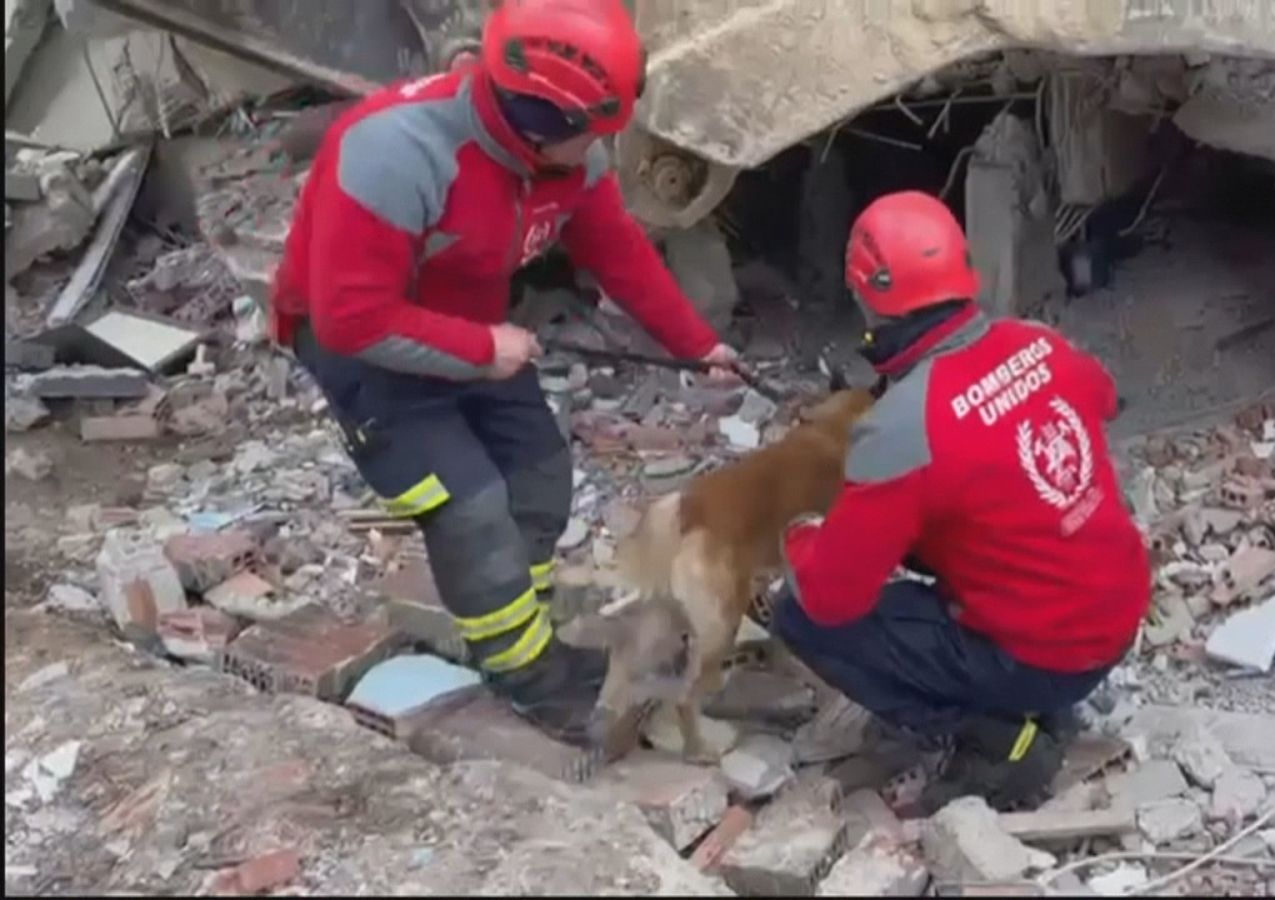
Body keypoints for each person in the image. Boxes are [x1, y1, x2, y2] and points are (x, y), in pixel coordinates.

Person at [270, 0, 737, 744]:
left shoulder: (563, 157)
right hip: (362, 346)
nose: (602, 149)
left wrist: (695, 345)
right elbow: (351, 317)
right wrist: (486, 349)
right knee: (469, 503)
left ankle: (520, 628)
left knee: (540, 472)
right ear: (539, 118)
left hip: (469, 327)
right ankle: (527, 680)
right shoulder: (394, 154)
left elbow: (617, 248)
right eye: (595, 131)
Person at [775, 190, 1150, 814]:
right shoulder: (1038, 341)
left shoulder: (901, 427)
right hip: (1115, 615)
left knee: (801, 616)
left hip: (1046, 652)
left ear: (866, 295)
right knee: (953, 525)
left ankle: (1003, 741)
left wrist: (801, 535)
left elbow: (832, 596)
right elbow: (1103, 398)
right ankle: (1038, 694)